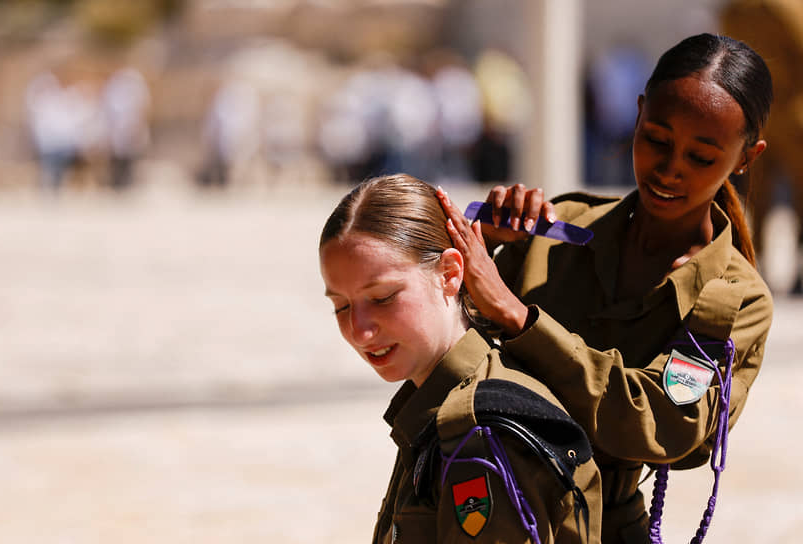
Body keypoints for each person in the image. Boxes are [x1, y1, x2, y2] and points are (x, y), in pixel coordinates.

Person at [437, 33, 773, 543]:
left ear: (746, 158)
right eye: (656, 139)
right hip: (474, 505)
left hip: (598, 525)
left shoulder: (733, 299)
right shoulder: (557, 231)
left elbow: (661, 423)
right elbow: (437, 352)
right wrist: (483, 246)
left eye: (701, 157)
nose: (669, 169)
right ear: (637, 114)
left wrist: (521, 321)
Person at [319, 174, 602, 543]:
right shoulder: (439, 405)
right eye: (340, 306)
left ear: (450, 274)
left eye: (383, 297)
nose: (359, 330)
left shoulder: (480, 430)